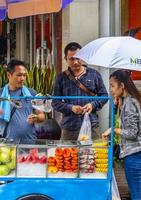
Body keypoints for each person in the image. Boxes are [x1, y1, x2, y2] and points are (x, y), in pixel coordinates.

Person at [52, 42, 108, 140]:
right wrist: (71, 108)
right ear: (66, 59)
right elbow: (55, 102)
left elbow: (104, 96)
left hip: (92, 125)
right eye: (71, 59)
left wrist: (92, 105)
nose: (75, 62)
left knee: (92, 154)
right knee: (67, 154)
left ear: (82, 57)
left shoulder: (94, 74)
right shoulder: (61, 78)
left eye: (78, 58)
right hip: (69, 127)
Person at [102, 70, 141, 200]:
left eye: (113, 85)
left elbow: (131, 133)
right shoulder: (131, 100)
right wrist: (117, 105)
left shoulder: (130, 103)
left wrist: (113, 130)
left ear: (122, 86)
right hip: (136, 154)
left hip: (134, 155)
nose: (111, 89)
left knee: (137, 194)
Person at [0, 59, 45, 143]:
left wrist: (37, 118)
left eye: (24, 75)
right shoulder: (1, 94)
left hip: (29, 142)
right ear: (9, 75)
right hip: (6, 144)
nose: (22, 79)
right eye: (19, 75)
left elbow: (42, 116)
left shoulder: (32, 93)